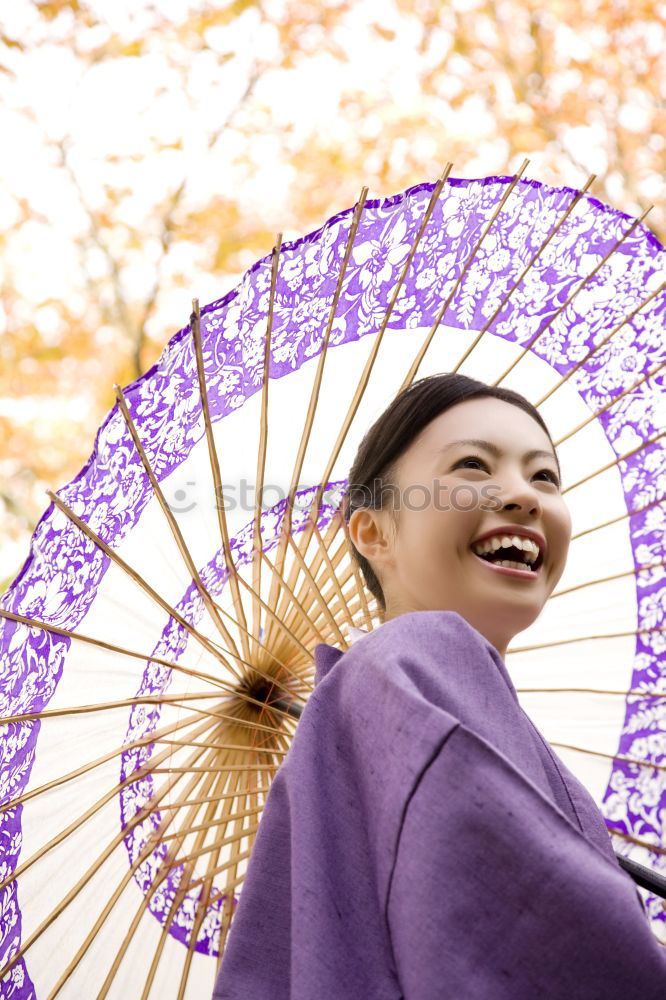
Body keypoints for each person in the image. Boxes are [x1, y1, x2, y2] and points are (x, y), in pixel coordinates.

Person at [212, 372, 665, 999]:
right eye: (473, 466)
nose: (524, 497)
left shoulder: (384, 699)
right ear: (373, 532)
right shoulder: (409, 662)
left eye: (544, 477)